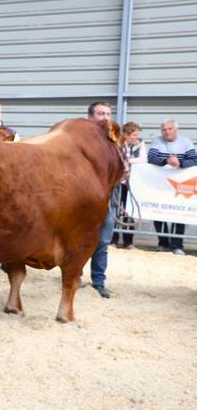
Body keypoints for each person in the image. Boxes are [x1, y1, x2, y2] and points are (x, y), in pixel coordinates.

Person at [147, 119, 197, 256]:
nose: (166, 132)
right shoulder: (157, 141)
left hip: (180, 186)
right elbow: (151, 158)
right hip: (160, 185)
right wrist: (166, 161)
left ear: (176, 129)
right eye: (164, 129)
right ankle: (162, 243)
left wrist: (179, 163)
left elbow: (194, 160)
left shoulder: (186, 142)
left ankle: (177, 245)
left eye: (169, 129)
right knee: (158, 212)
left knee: (179, 214)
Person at [87, 101, 115, 298]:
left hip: (106, 198)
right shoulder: (80, 138)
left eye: (108, 114)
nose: (105, 117)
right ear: (91, 117)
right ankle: (74, 276)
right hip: (81, 200)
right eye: (100, 113)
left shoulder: (114, 140)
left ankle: (98, 281)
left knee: (103, 241)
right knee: (76, 240)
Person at [111, 122, 147, 249]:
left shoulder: (140, 144)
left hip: (131, 182)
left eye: (137, 134)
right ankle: (113, 240)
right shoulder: (119, 144)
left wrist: (128, 160)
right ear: (126, 135)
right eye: (134, 135)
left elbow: (143, 159)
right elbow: (118, 158)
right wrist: (127, 160)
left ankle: (128, 241)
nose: (137, 137)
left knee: (129, 211)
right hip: (118, 182)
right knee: (115, 209)